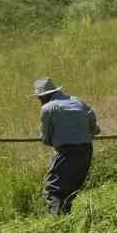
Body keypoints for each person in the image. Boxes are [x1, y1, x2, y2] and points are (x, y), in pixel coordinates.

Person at [35, 77, 99, 214]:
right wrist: (91, 132)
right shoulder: (77, 101)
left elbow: (46, 138)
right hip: (87, 149)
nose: (39, 101)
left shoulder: (48, 108)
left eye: (39, 98)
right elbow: (91, 116)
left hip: (67, 152)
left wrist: (50, 139)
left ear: (44, 96)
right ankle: (66, 217)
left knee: (53, 189)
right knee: (71, 187)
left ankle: (59, 223)